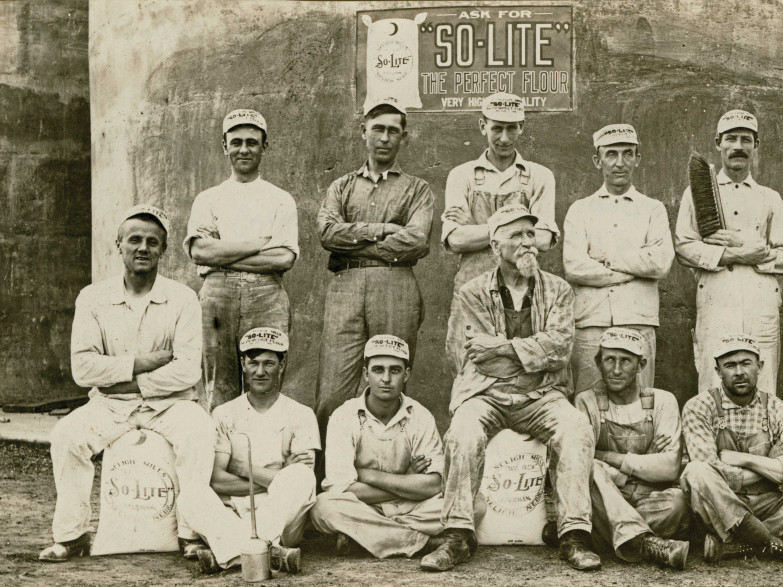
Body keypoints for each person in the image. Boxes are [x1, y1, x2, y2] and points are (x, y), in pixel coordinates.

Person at [422, 204, 600, 572]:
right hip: (486, 392)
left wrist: (502, 349)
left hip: (542, 395)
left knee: (576, 428)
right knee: (463, 432)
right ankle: (457, 534)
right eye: (516, 235)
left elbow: (560, 349)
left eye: (530, 234)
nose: (527, 243)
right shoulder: (472, 292)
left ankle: (573, 535)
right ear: (494, 245)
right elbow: (472, 356)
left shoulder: (559, 290)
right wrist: (527, 354)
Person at [39, 205, 217, 562]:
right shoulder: (92, 297)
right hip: (109, 406)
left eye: (153, 242)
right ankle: (71, 535)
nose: (143, 248)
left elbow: (187, 372)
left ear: (164, 250)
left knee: (199, 430)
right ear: (117, 244)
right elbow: (83, 369)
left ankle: (191, 534)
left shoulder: (183, 298)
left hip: (169, 404)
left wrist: (124, 380)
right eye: (134, 240)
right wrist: (142, 363)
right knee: (67, 436)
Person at [314, 97, 433, 454]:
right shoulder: (342, 186)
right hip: (347, 287)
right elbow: (327, 233)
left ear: (404, 137)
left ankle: (389, 469)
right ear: (363, 132)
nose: (384, 138)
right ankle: (327, 481)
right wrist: (382, 230)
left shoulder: (417, 189)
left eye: (392, 131)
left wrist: (355, 239)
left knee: (390, 383)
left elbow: (416, 240)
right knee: (332, 390)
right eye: (377, 129)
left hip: (396, 284)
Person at [681, 334, 783, 564]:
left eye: (746, 363)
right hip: (723, 504)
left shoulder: (777, 408)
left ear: (760, 366)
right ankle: (780, 544)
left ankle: (739, 544)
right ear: (718, 371)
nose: (739, 372)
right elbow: (711, 470)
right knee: (695, 472)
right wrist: (771, 464)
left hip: (770, 503)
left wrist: (745, 459)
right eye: (730, 365)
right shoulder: (699, 407)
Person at [674, 109, 783, 394]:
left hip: (761, 300)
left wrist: (745, 247)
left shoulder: (770, 197)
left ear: (756, 145)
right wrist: (740, 253)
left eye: (746, 139)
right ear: (718, 143)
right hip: (716, 296)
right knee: (712, 376)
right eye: (731, 139)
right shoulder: (697, 192)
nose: (738, 146)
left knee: (763, 380)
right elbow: (684, 247)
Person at [179, 327, 318, 574]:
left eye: (269, 363)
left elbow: (298, 481)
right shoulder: (223, 413)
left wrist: (242, 468)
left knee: (301, 476)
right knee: (191, 495)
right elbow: (218, 480)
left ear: (282, 365)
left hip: (283, 521)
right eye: (253, 363)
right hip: (233, 512)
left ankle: (230, 552)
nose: (260, 371)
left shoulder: (302, 414)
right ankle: (267, 554)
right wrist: (277, 476)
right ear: (243, 364)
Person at [185, 109, 298, 410]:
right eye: (236, 142)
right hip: (217, 294)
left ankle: (264, 456)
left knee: (265, 380)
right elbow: (199, 251)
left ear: (265, 146)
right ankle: (221, 455)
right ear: (225, 146)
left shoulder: (280, 198)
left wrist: (222, 256)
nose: (243, 149)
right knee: (219, 386)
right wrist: (257, 245)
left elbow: (284, 257)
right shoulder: (208, 198)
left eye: (251, 142)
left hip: (267, 294)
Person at [563, 125, 673, 395]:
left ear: (638, 158)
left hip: (638, 319)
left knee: (640, 402)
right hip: (591, 323)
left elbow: (659, 262)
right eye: (611, 154)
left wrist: (608, 259)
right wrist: (633, 271)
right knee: (588, 402)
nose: (620, 163)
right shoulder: (580, 210)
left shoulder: (653, 209)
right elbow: (575, 266)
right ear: (597, 160)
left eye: (628, 154)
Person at [311, 335, 444, 559]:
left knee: (473, 503)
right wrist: (406, 479)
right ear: (365, 374)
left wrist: (366, 475)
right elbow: (340, 488)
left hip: (410, 508)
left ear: (407, 375)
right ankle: (419, 541)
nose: (386, 378)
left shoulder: (420, 415)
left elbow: (434, 485)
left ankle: (367, 537)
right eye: (378, 370)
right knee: (322, 507)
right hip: (367, 507)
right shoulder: (344, 415)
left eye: (395, 370)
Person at [572, 328, 690, 569]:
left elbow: (669, 469)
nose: (616, 370)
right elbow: (585, 461)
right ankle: (648, 543)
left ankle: (610, 534)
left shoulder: (663, 401)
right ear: (598, 362)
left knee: (677, 501)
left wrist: (606, 456)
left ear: (641, 365)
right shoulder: (587, 401)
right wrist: (646, 461)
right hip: (607, 495)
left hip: (649, 498)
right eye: (609, 360)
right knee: (589, 468)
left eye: (625, 361)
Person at [442, 92, 557, 292]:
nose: (504, 138)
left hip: (523, 290)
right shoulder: (461, 175)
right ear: (482, 126)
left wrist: (476, 227)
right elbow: (456, 240)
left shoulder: (540, 176)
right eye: (497, 128)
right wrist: (521, 233)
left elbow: (544, 239)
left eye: (511, 128)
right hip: (472, 288)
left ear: (521, 127)